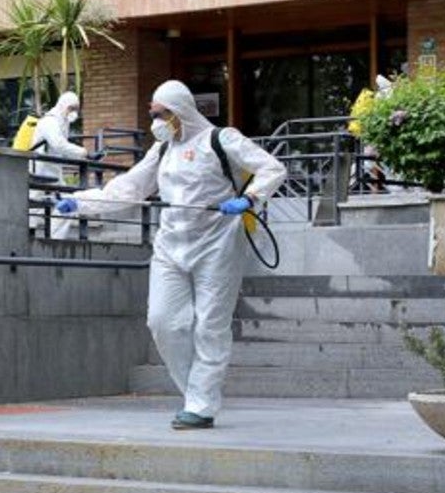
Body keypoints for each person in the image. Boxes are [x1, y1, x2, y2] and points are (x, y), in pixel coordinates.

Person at [54, 80, 286, 429]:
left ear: (179, 113)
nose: (155, 121)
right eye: (153, 114)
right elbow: (130, 188)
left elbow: (273, 168)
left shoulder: (221, 140)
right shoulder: (162, 150)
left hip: (217, 242)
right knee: (162, 321)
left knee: (210, 325)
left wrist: (250, 198)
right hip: (170, 244)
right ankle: (195, 392)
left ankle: (201, 405)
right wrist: (82, 203)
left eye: (160, 114)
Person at [28, 92, 90, 237]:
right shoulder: (50, 121)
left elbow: (61, 148)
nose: (74, 112)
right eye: (72, 108)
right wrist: (82, 152)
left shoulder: (62, 122)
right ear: (63, 106)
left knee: (65, 202)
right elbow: (58, 144)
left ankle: (54, 238)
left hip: (52, 169)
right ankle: (31, 236)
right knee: (34, 205)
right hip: (41, 170)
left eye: (76, 109)